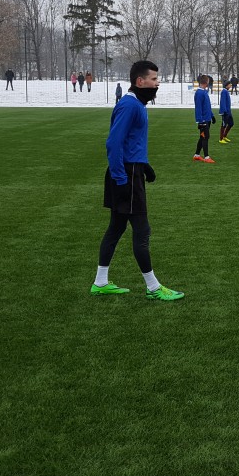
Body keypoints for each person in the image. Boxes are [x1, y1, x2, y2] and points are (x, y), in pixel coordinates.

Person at [91, 59, 184, 301]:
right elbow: (113, 143)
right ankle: (153, 288)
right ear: (140, 82)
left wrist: (144, 165)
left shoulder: (137, 105)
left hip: (132, 170)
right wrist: (121, 179)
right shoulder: (130, 105)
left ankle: (100, 282)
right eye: (154, 79)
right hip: (126, 175)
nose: (157, 84)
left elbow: (131, 142)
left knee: (116, 227)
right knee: (142, 231)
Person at [193, 75, 216, 163]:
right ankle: (206, 157)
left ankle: (197, 155)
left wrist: (212, 115)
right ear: (206, 82)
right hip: (203, 120)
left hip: (207, 118)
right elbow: (198, 108)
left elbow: (207, 106)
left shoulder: (204, 92)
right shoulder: (199, 93)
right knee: (205, 137)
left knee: (202, 137)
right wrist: (200, 121)